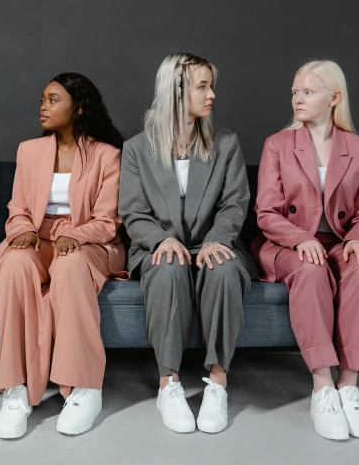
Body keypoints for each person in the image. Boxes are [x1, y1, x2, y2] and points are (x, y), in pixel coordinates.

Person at [252, 60, 359, 440]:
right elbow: (266, 212)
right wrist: (300, 239)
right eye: (294, 92)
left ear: (334, 98)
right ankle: (322, 386)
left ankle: (348, 385)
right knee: (310, 269)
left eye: (307, 92)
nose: (297, 99)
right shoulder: (278, 145)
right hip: (287, 242)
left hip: (340, 242)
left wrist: (358, 240)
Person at [0, 73, 126, 438]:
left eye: (53, 99)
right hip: (37, 239)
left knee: (72, 265)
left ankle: (84, 387)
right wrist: (22, 231)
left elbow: (108, 220)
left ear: (77, 107)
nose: (43, 107)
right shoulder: (29, 150)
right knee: (12, 264)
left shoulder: (107, 155)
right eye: (42, 99)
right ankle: (16, 388)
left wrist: (75, 235)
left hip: (87, 242)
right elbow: (18, 208)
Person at [119, 53, 256, 434]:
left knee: (225, 269)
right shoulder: (136, 149)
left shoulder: (226, 143)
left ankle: (218, 381)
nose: (211, 94)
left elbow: (235, 203)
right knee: (167, 269)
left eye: (212, 86)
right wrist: (161, 240)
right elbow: (133, 213)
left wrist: (217, 240)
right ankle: (169, 383)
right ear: (177, 91)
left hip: (215, 242)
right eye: (203, 86)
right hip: (158, 247)